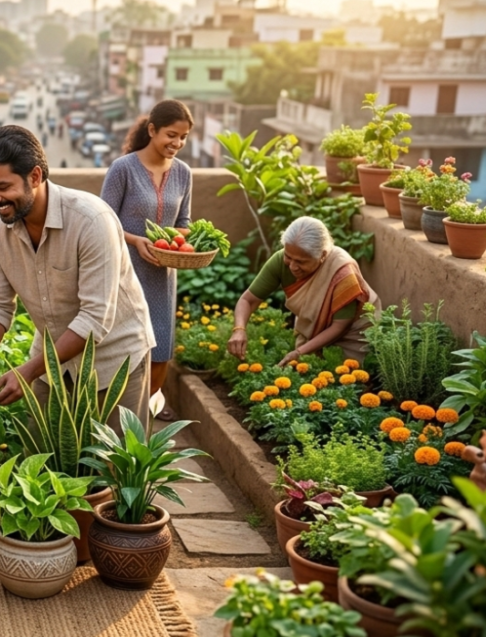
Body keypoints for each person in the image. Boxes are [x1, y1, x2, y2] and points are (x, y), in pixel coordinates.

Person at [0, 126, 155, 430]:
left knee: (116, 458)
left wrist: (27, 372)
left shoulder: (91, 220)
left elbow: (95, 318)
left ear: (35, 176)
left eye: (2, 187)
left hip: (114, 362)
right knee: (43, 454)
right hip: (51, 364)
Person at [100, 99, 194, 419]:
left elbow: (184, 222)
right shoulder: (123, 168)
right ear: (152, 130)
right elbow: (105, 221)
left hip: (163, 273)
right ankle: (120, 410)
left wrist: (174, 242)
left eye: (183, 137)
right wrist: (136, 241)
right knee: (126, 343)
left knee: (161, 346)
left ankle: (148, 406)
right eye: (171, 134)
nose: (177, 143)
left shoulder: (183, 173)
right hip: (126, 270)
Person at [227, 216, 380, 365]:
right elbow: (248, 300)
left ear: (322, 255)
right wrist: (239, 329)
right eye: (288, 257)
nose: (293, 266)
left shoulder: (342, 273)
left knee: (349, 376)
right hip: (314, 335)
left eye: (301, 262)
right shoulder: (280, 262)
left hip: (353, 336)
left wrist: (300, 352)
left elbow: (340, 326)